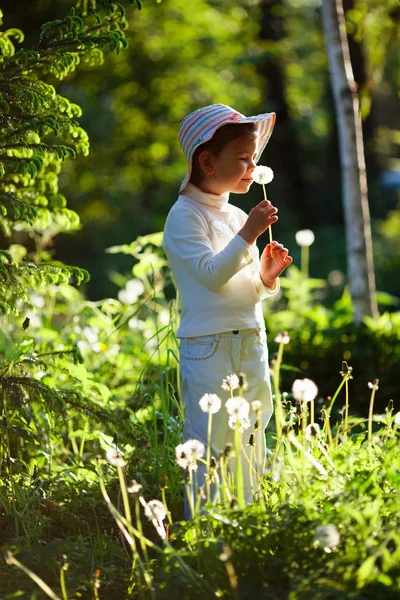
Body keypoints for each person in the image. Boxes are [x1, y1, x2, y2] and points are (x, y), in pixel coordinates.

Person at [162, 104, 292, 518]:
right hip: (209, 346)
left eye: (254, 158)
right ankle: (204, 526)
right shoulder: (185, 216)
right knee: (211, 438)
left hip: (250, 337)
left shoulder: (235, 213)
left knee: (254, 429)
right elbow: (211, 276)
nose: (252, 168)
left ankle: (246, 516)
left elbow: (243, 288)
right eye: (242, 158)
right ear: (206, 160)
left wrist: (266, 277)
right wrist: (249, 233)